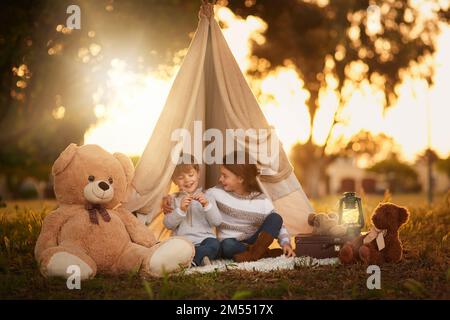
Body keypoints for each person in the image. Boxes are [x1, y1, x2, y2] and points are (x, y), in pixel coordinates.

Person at [163, 154, 222, 266]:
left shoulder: (208, 197)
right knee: (171, 247)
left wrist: (206, 205)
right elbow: (168, 224)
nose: (187, 180)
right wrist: (180, 210)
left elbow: (217, 222)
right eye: (180, 177)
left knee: (215, 245)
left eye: (191, 175)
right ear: (174, 181)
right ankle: (200, 258)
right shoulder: (172, 199)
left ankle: (193, 259)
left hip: (205, 240)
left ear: (198, 174)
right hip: (183, 242)